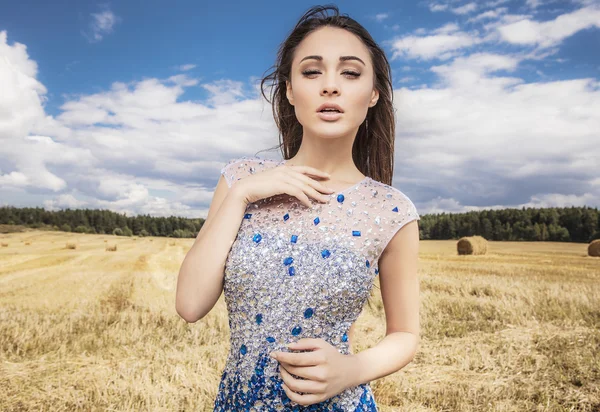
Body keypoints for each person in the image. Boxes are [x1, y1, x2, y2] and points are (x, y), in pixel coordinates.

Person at [176, 5, 421, 411]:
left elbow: (406, 335)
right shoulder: (241, 179)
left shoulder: (391, 210)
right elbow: (189, 305)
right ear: (289, 90)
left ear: (373, 93)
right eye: (312, 71)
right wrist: (242, 195)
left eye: (350, 72)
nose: (330, 86)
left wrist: (352, 369)